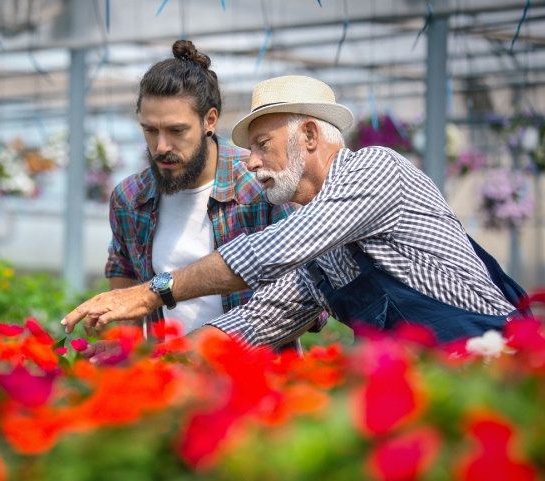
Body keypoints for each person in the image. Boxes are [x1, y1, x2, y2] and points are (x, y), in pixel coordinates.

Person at [63, 74, 528, 347]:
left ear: (308, 135)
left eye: (262, 145)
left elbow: (274, 248)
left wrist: (155, 292)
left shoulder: (376, 169)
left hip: (492, 360)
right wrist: (156, 363)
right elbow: (254, 321)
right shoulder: (324, 255)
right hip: (435, 385)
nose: (250, 162)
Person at [104, 40, 293, 335]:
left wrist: (203, 348)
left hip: (252, 361)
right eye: (150, 130)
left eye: (176, 130)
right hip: (165, 362)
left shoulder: (260, 186)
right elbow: (123, 273)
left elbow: (305, 297)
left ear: (210, 120)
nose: (161, 146)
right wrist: (122, 343)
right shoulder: (130, 198)